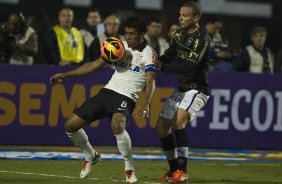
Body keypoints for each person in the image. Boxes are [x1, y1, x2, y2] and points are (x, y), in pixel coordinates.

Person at [49, 16, 158, 183]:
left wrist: (145, 102)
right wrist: (66, 75)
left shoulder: (149, 54)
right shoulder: (119, 46)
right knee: (70, 126)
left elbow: (150, 81)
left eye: (132, 34)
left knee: (117, 124)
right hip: (108, 91)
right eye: (126, 33)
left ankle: (129, 168)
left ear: (142, 34)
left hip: (128, 96)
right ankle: (90, 155)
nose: (127, 37)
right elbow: (94, 65)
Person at [154, 1, 210, 183]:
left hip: (198, 89)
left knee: (179, 121)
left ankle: (183, 171)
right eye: (180, 14)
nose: (180, 18)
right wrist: (154, 61)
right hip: (182, 88)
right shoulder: (179, 34)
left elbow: (188, 67)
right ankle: (173, 171)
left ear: (196, 18)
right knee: (161, 126)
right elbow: (169, 55)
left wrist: (163, 67)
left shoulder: (203, 38)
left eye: (184, 15)